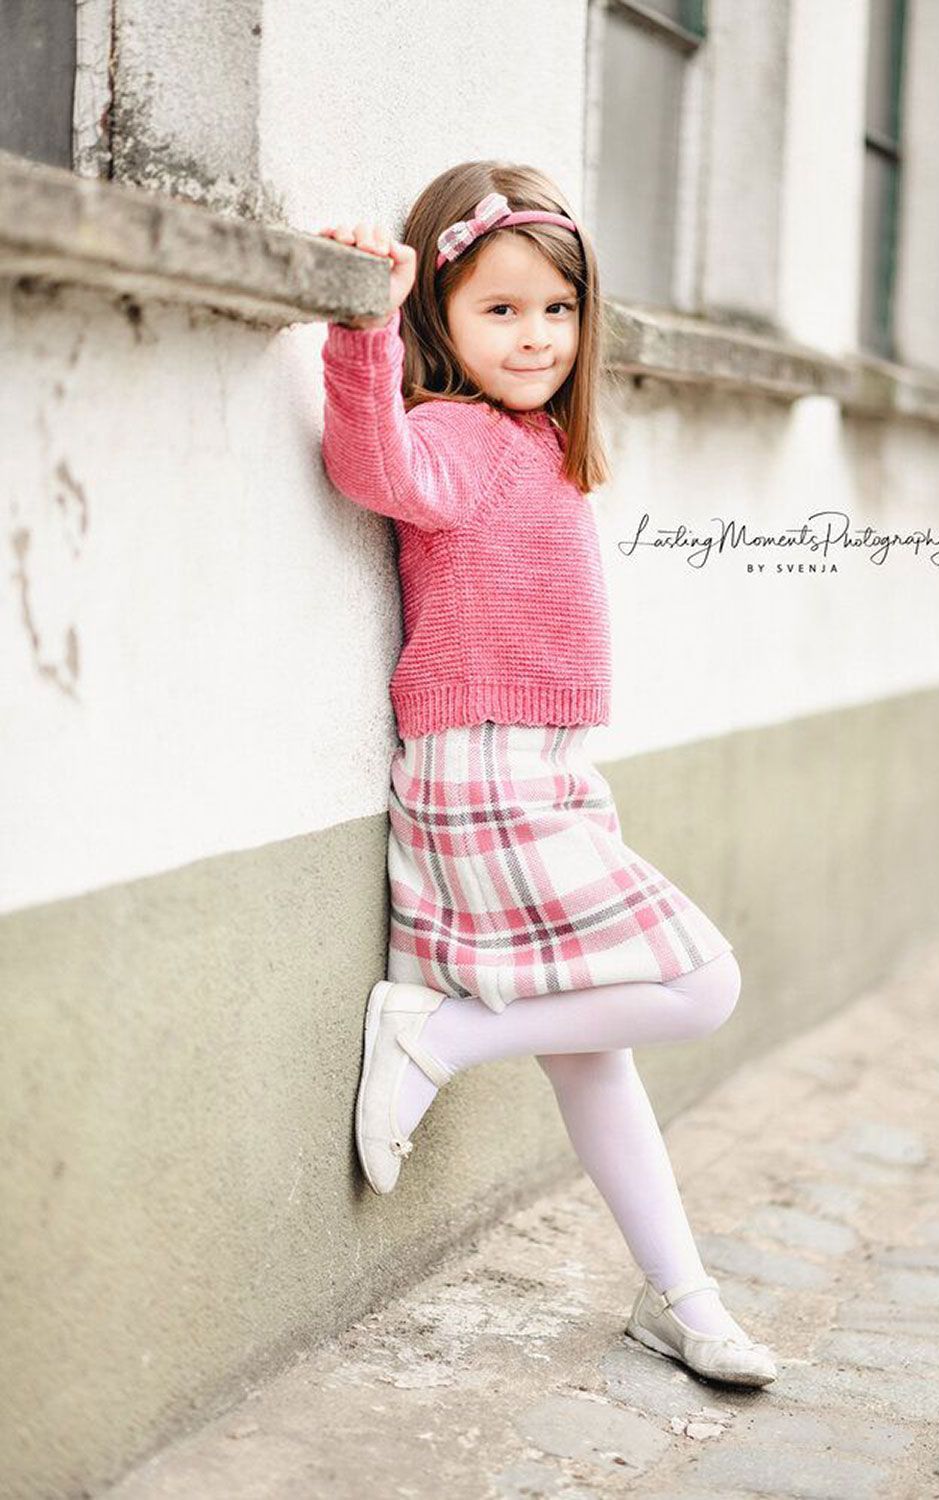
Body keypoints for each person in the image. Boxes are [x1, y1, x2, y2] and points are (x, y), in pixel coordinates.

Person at [317, 160, 778, 1387]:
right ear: (443, 323)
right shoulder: (456, 433)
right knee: (700, 985)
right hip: (483, 771)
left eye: (556, 311)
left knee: (597, 1050)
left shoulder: (541, 445)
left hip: (553, 772)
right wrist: (363, 318)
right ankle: (439, 1039)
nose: (534, 336)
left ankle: (680, 1297)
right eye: (500, 309)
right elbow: (375, 472)